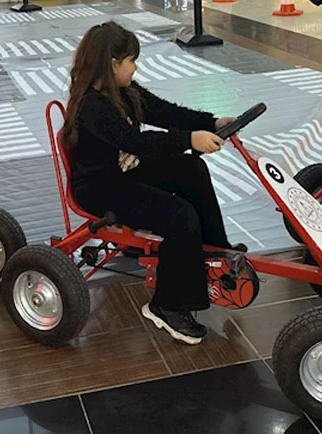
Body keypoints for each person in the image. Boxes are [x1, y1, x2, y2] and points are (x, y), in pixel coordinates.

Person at [63, 22, 240, 344]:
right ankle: (166, 305)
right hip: (99, 187)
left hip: (126, 172)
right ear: (113, 64)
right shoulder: (93, 107)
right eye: (132, 60)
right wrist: (189, 138)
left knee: (191, 169)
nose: (135, 66)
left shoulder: (123, 91)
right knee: (179, 215)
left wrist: (210, 122)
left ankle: (214, 252)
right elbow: (138, 144)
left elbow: (164, 112)